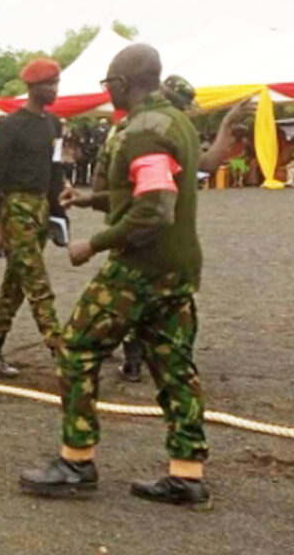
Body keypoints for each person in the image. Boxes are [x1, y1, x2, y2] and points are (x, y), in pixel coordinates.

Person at [21, 43, 211, 507]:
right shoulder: (176, 123)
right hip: (178, 268)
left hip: (142, 267)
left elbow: (153, 212)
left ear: (124, 84)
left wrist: (93, 244)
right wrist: (87, 200)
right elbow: (146, 193)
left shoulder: (144, 132)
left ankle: (76, 461)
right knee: (173, 366)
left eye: (109, 85)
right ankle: (187, 473)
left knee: (78, 348)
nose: (108, 93)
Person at [65, 76, 252, 383]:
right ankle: (134, 355)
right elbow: (122, 193)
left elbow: (197, 171)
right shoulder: (155, 130)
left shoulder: (160, 129)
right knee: (153, 332)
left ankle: (133, 358)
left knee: (94, 336)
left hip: (142, 242)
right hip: (148, 242)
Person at [0, 58, 66, 377]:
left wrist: (59, 216)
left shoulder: (53, 124)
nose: (55, 90)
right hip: (15, 210)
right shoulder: (10, 127)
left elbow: (55, 172)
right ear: (33, 87)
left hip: (41, 209)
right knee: (37, 282)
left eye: (57, 83)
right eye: (49, 85)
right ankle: (62, 354)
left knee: (16, 283)